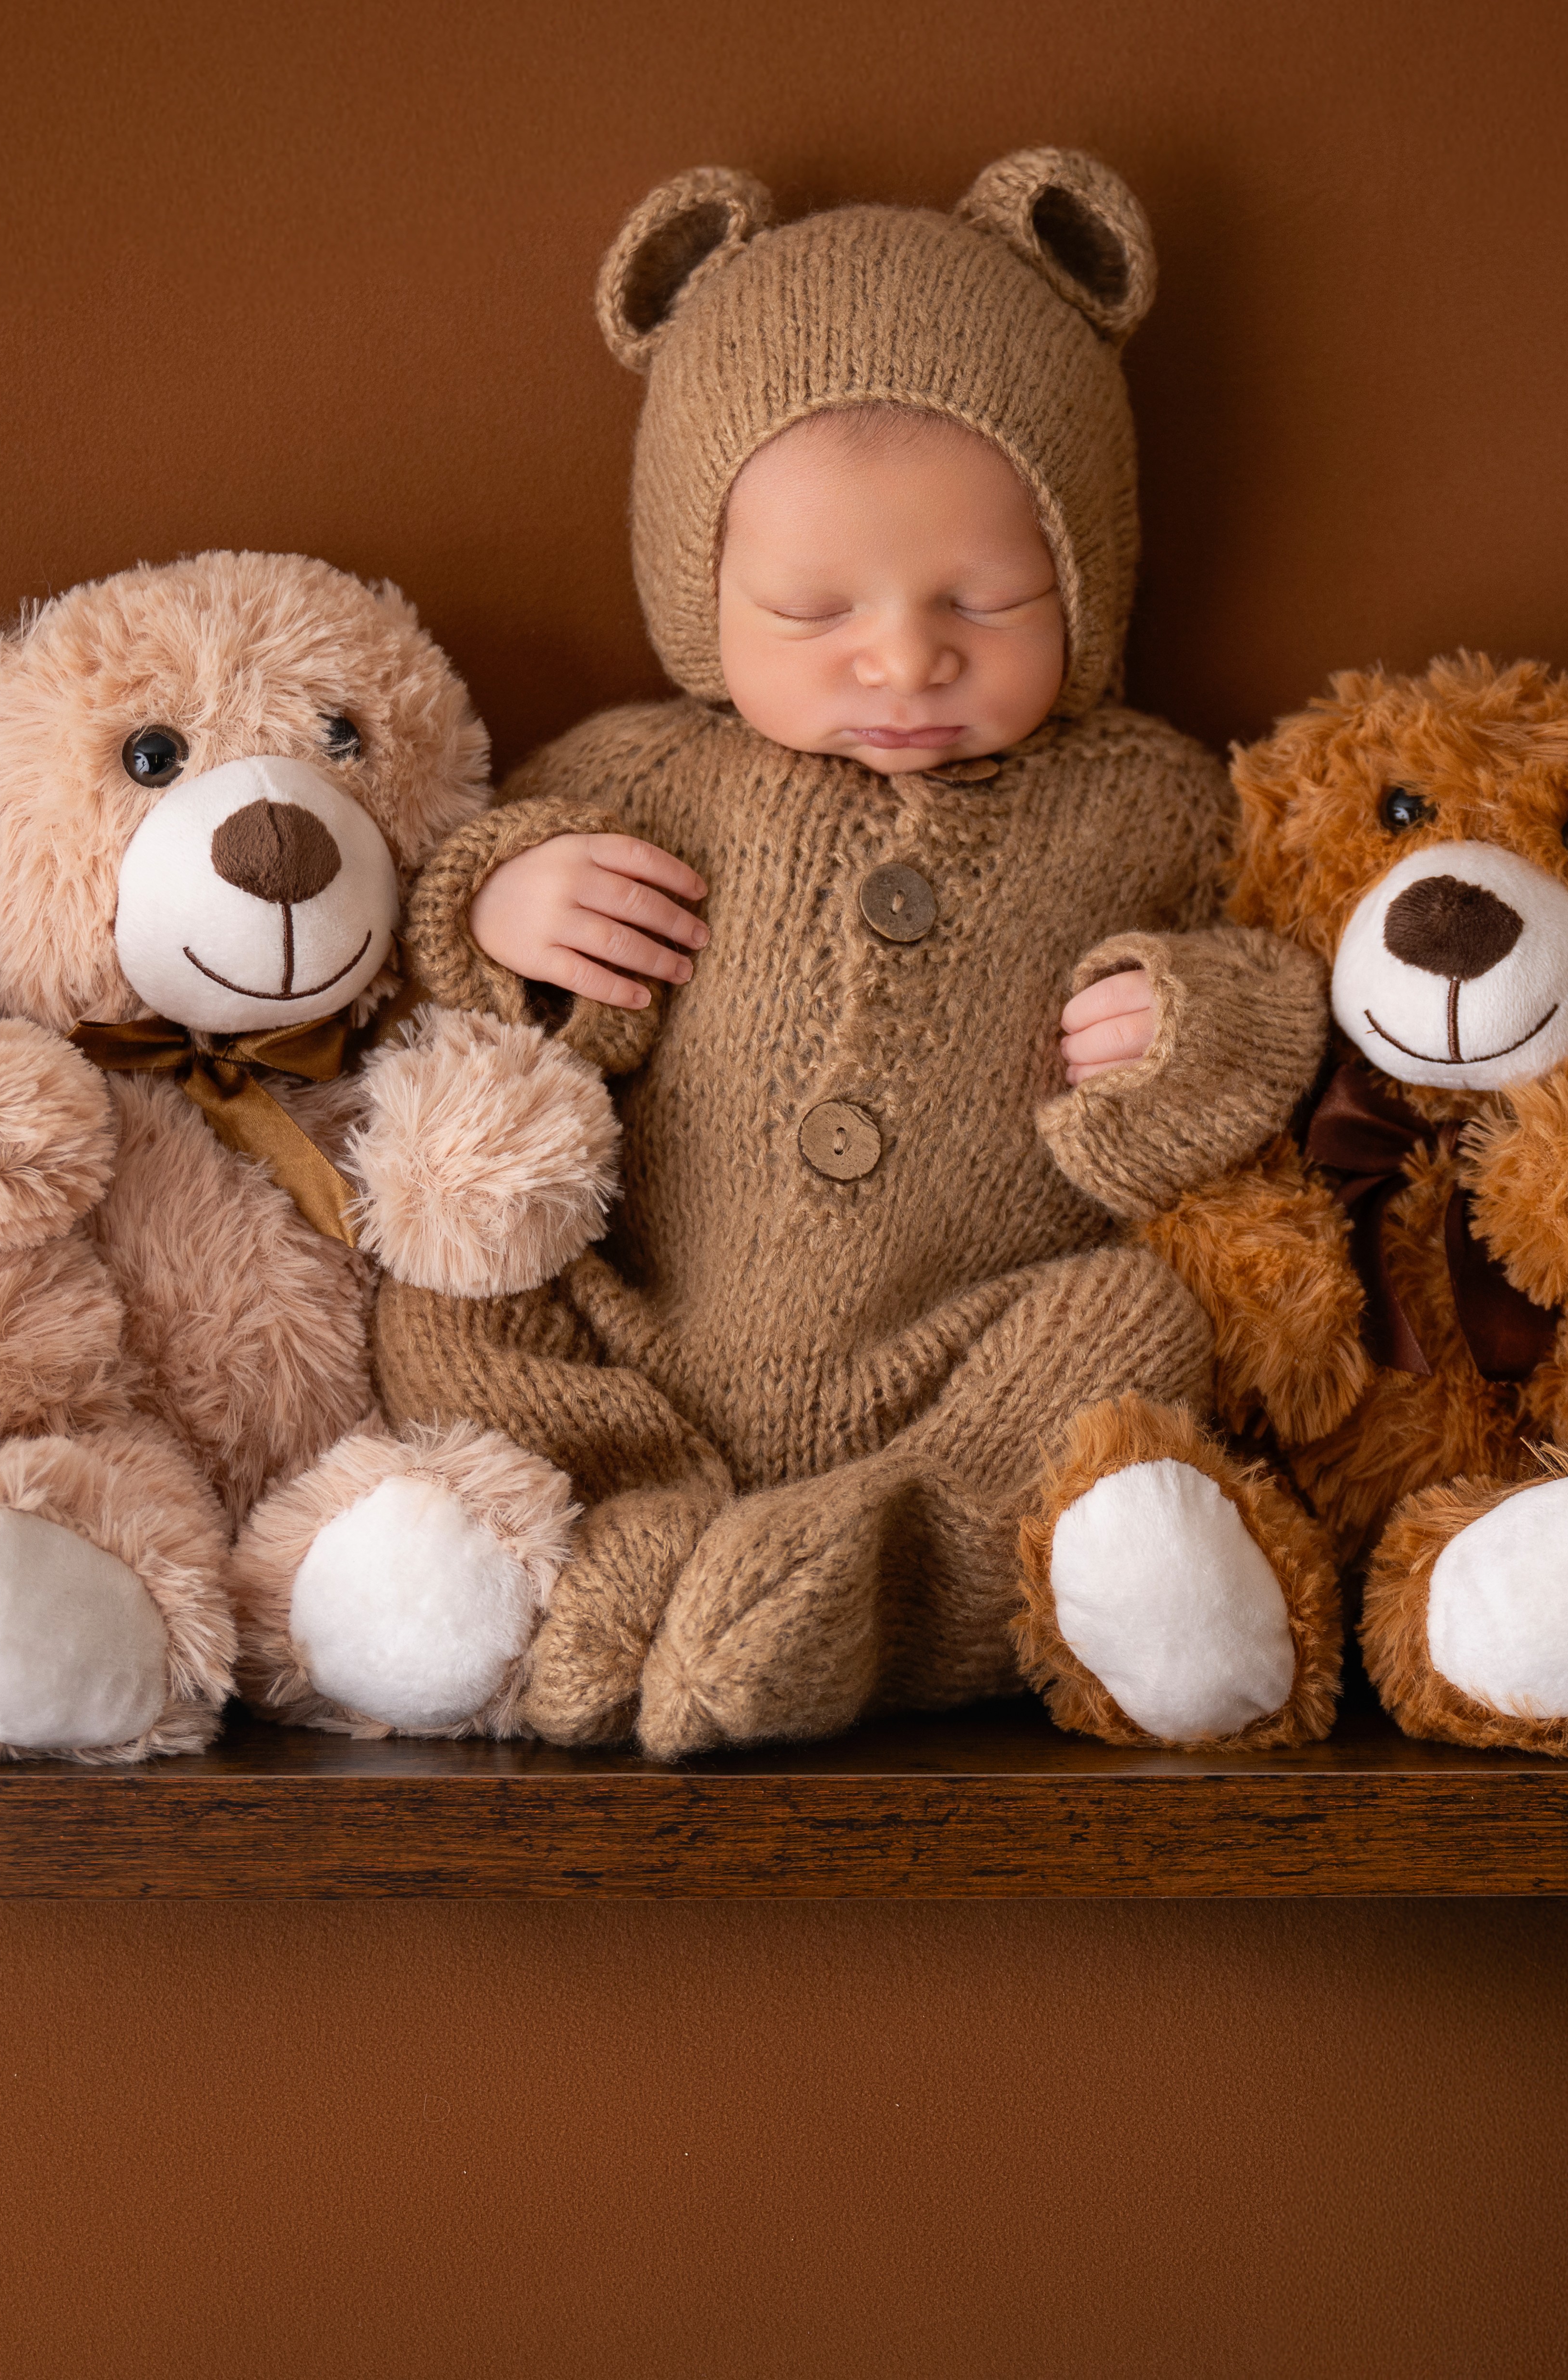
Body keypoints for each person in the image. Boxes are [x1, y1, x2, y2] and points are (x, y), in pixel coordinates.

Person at [371, 152, 1329, 1758]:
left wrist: (1184, 1032)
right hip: (645, 1343)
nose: (904, 654)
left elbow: (1279, 990)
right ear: (700, 589)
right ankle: (614, 1552)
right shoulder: (641, 770)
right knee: (453, 1285)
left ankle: (884, 1583)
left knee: (1141, 1324)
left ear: (1089, 572)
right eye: (813, 610)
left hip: (962, 1356)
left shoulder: (1157, 800)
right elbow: (453, 962)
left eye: (987, 596)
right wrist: (505, 914)